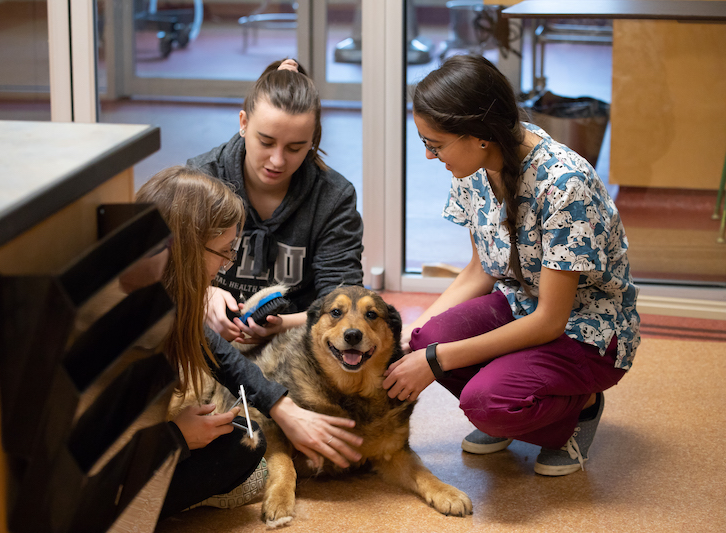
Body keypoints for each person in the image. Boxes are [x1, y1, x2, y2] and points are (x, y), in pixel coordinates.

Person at [382, 55, 640, 477]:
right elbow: (479, 272)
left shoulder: (564, 184)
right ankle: (512, 401)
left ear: (480, 134)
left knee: (483, 400)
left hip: (586, 330)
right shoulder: (473, 167)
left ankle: (578, 409)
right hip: (521, 304)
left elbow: (550, 321)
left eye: (435, 143)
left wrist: (434, 361)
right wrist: (412, 341)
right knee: (429, 336)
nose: (429, 155)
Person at [124, 166, 363, 519]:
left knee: (246, 443)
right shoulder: (132, 326)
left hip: (150, 445)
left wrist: (280, 406)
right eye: (222, 252)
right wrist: (175, 437)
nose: (225, 266)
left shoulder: (163, 296)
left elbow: (212, 347)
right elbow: (102, 453)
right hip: (111, 486)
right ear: (187, 248)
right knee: (239, 451)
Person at [186, 58, 364, 344]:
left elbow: (344, 301)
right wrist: (203, 295)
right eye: (266, 142)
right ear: (243, 123)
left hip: (296, 339)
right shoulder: (202, 179)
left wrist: (281, 326)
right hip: (206, 333)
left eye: (295, 148)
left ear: (313, 141)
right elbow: (165, 271)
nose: (277, 161)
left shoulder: (333, 196)